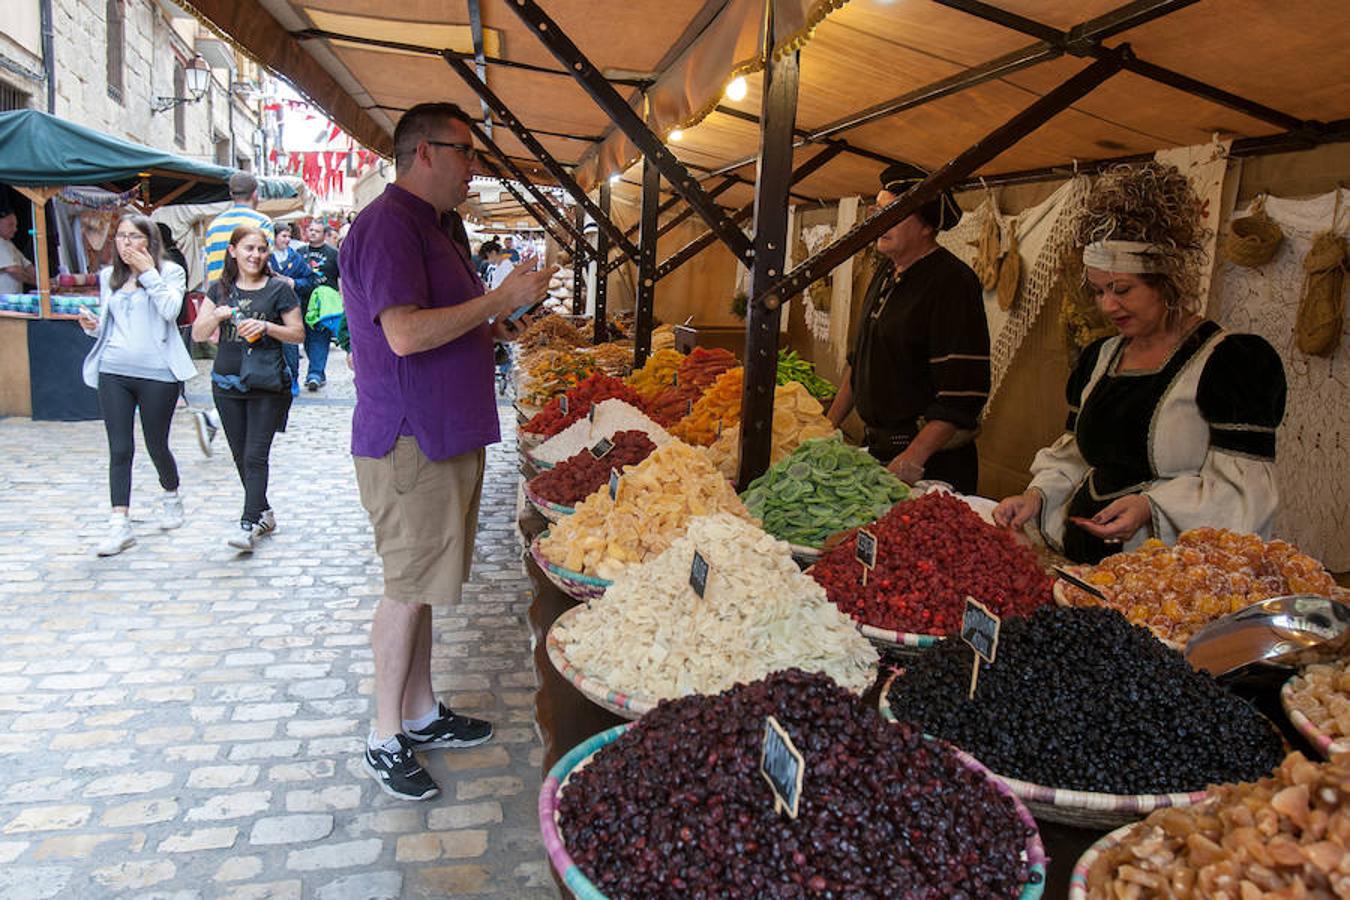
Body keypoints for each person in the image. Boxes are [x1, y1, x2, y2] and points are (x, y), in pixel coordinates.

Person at [341, 101, 555, 801]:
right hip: (411, 439)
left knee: (427, 585)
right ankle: (383, 735)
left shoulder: (436, 228)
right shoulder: (388, 227)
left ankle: (421, 712)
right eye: (466, 152)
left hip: (444, 431)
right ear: (423, 152)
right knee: (407, 589)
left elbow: (444, 324)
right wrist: (495, 301)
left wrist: (501, 323)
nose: (475, 168)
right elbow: (402, 334)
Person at [993, 163, 1287, 564]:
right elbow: (1077, 454)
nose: (1107, 305)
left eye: (1122, 289)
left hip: (1163, 577)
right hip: (1080, 565)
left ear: (1167, 281)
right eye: (1098, 291)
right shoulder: (1100, 358)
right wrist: (1036, 495)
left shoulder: (1231, 363)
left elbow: (1245, 495)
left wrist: (1151, 506)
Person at [826, 162, 990, 492]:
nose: (879, 221)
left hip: (931, 465)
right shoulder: (885, 274)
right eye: (878, 211)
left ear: (927, 225)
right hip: (880, 451)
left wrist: (912, 458)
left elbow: (961, 394)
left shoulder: (952, 282)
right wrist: (824, 428)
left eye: (894, 213)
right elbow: (859, 364)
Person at [78, 214, 195, 556]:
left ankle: (171, 494)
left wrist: (149, 273)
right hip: (114, 369)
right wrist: (91, 326)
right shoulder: (108, 277)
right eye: (121, 236)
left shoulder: (169, 272)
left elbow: (172, 310)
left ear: (149, 241)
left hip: (158, 372)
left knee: (156, 444)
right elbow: (108, 325)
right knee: (119, 448)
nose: (126, 243)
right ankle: (119, 523)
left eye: (134, 236)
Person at [191, 225, 305, 552]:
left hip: (267, 383)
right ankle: (263, 512)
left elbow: (297, 333)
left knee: (256, 455)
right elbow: (198, 334)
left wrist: (267, 326)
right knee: (241, 455)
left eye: (261, 249)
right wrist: (218, 316)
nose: (255, 255)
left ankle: (247, 524)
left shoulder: (279, 289)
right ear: (233, 251)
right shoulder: (219, 290)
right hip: (225, 383)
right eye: (248, 249)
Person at [197, 173, 275, 455]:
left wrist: (213, 308)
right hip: (252, 300)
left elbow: (210, 271)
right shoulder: (262, 223)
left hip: (221, 301)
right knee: (258, 363)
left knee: (232, 359)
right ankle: (242, 425)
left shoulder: (215, 225)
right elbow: (268, 266)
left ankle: (221, 419)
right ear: (255, 194)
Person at [269, 223, 314, 397]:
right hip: (270, 306)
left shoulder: (295, 258)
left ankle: (293, 377)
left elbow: (309, 280)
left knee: (290, 345)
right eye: (283, 236)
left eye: (289, 236)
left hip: (290, 307)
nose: (287, 240)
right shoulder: (267, 258)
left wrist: (293, 283)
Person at [296, 220, 340, 390]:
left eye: (317, 231)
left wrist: (341, 299)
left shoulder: (333, 254)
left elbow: (341, 278)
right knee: (307, 340)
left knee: (320, 338)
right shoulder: (299, 253)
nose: (313, 233)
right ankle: (318, 372)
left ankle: (314, 374)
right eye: (311, 230)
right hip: (303, 301)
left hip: (324, 304)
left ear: (324, 234)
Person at [0, 206, 37, 296]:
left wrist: (42, 279)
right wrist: (36, 282)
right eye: (10, 225)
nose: (15, 229)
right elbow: (13, 269)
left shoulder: (8, 243)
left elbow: (27, 265)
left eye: (15, 225)